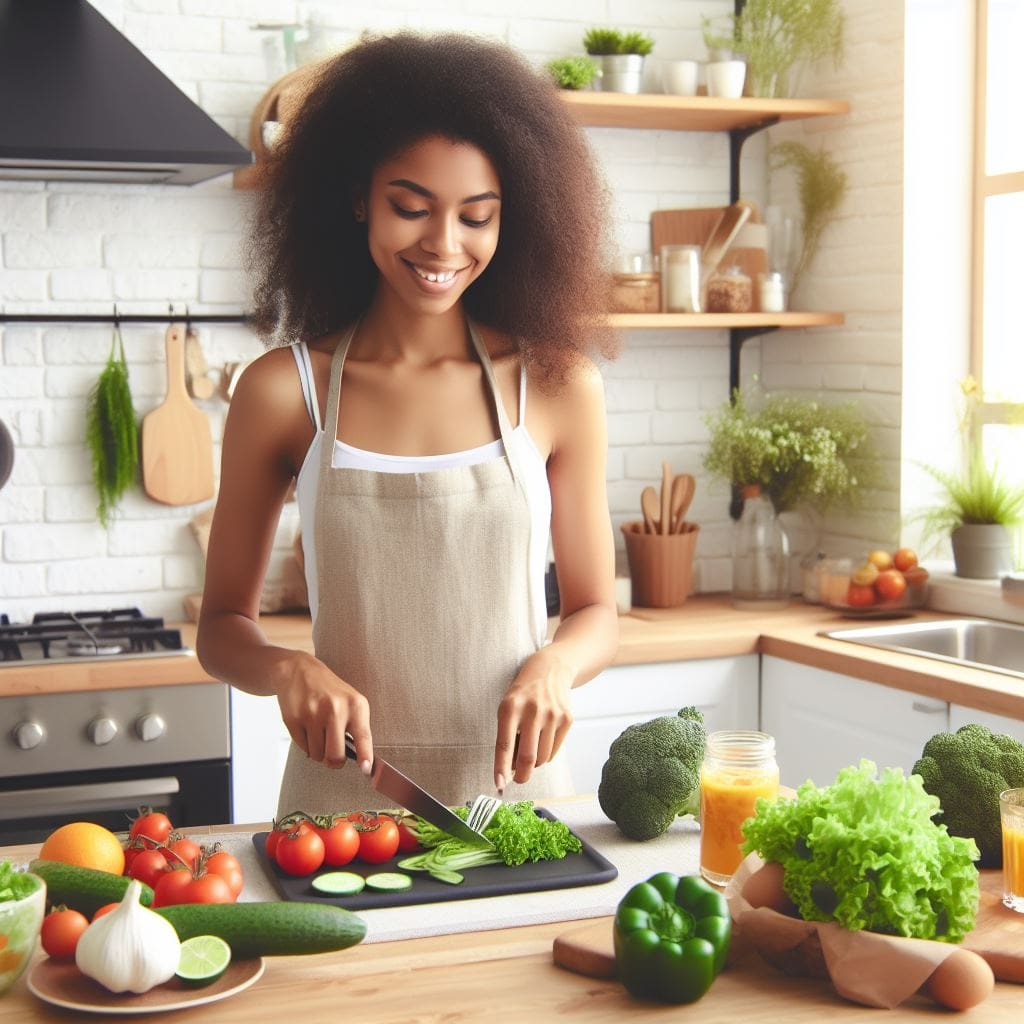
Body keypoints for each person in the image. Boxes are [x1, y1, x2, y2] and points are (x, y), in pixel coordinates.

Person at [196, 31, 619, 818]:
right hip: (338, 811)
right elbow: (221, 627)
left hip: (516, 805)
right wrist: (289, 671)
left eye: (476, 217)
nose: (443, 245)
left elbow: (597, 611)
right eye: (411, 207)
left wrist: (557, 666)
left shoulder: (557, 387)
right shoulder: (286, 392)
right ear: (359, 197)